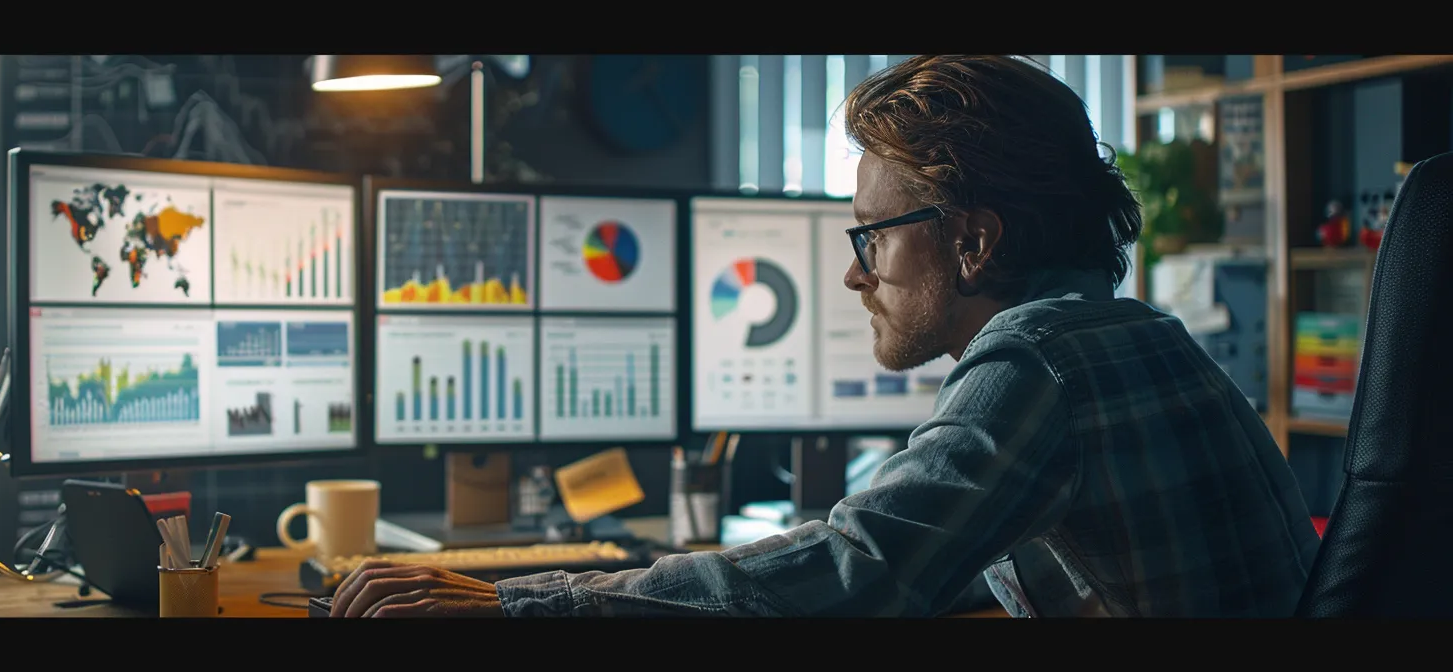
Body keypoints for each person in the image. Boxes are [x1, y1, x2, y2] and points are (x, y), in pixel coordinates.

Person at [328, 54, 1321, 618]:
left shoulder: (1038, 363)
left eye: (871, 237)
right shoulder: (1134, 335)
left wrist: (514, 608)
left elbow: (854, 574)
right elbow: (929, 559)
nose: (854, 273)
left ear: (970, 241)